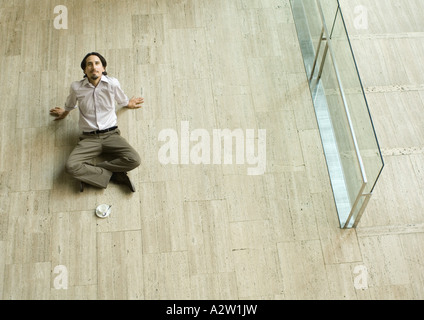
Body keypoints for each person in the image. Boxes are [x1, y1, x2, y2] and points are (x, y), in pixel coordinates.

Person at [50, 52, 143, 192]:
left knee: (134, 159)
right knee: (71, 166)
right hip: (89, 138)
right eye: (89, 64)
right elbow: (70, 103)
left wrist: (128, 103)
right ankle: (115, 175)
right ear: (85, 70)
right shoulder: (77, 87)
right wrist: (64, 113)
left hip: (112, 135)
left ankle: (93, 174)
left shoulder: (112, 83)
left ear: (103, 68)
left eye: (97, 63)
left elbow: (122, 99)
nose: (94, 67)